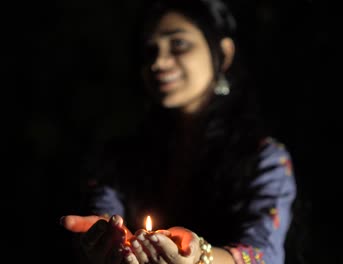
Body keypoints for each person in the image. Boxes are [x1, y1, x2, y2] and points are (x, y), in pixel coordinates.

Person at [60, 0, 297, 263]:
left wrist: (198, 256)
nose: (158, 63)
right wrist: (106, 234)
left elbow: (264, 254)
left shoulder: (263, 158)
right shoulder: (123, 155)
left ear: (223, 53)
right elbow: (105, 215)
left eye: (179, 44)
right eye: (150, 51)